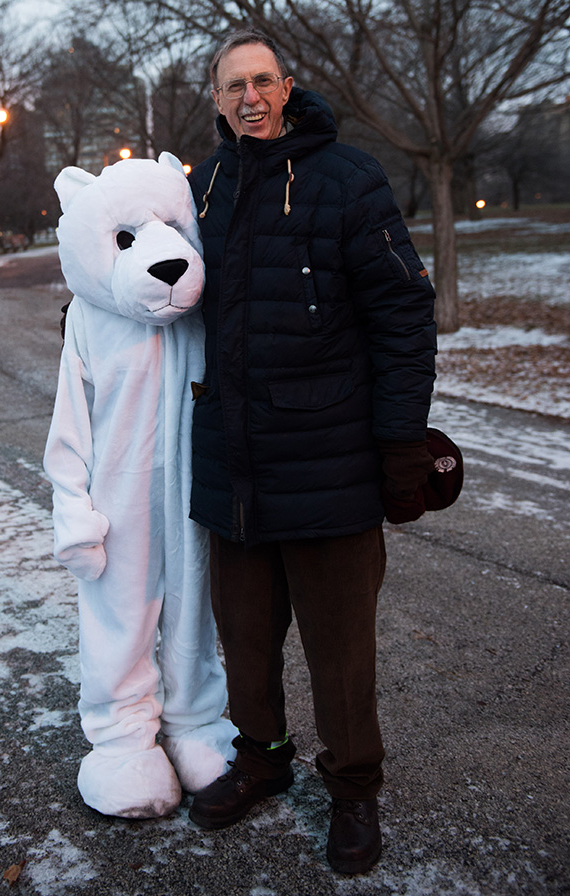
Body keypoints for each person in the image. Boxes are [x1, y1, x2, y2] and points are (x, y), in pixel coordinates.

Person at [185, 28, 437, 875]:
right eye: (232, 86)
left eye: (262, 81)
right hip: (235, 467)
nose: (248, 97)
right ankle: (261, 758)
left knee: (340, 653)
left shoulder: (346, 178)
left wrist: (401, 439)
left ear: (287, 87)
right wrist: (99, 321)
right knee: (244, 643)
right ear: (215, 101)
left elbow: (404, 313)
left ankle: (354, 787)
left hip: (329, 461)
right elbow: (166, 289)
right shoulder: (205, 186)